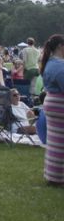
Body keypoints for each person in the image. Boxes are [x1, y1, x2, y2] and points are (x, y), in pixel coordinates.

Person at [41, 34, 64, 186]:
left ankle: (53, 175)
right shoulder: (60, 66)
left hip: (51, 102)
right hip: (60, 103)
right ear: (61, 47)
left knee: (55, 142)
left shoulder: (49, 63)